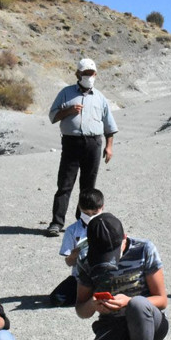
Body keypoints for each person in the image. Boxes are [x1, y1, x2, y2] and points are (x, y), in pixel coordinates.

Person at [75, 213, 168, 340]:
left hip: (149, 323)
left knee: (137, 304)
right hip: (112, 329)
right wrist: (92, 304)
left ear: (124, 238)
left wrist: (128, 302)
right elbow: (81, 310)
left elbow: (161, 300)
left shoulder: (144, 249)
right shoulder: (85, 258)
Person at [46, 58, 117, 237]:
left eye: (91, 73)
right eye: (85, 73)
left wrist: (109, 147)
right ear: (77, 74)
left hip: (93, 144)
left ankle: (83, 223)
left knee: (88, 186)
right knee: (65, 184)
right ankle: (56, 223)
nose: (88, 76)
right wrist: (68, 111)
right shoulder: (66, 93)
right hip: (71, 143)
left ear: (95, 75)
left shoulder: (100, 98)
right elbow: (53, 116)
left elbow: (109, 126)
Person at [49, 188, 105, 307]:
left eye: (94, 214)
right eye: (86, 213)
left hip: (104, 274)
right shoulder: (72, 230)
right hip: (81, 277)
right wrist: (74, 255)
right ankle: (91, 295)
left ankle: (93, 295)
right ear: (79, 208)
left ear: (102, 208)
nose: (90, 217)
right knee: (57, 299)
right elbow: (69, 262)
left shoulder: (109, 226)